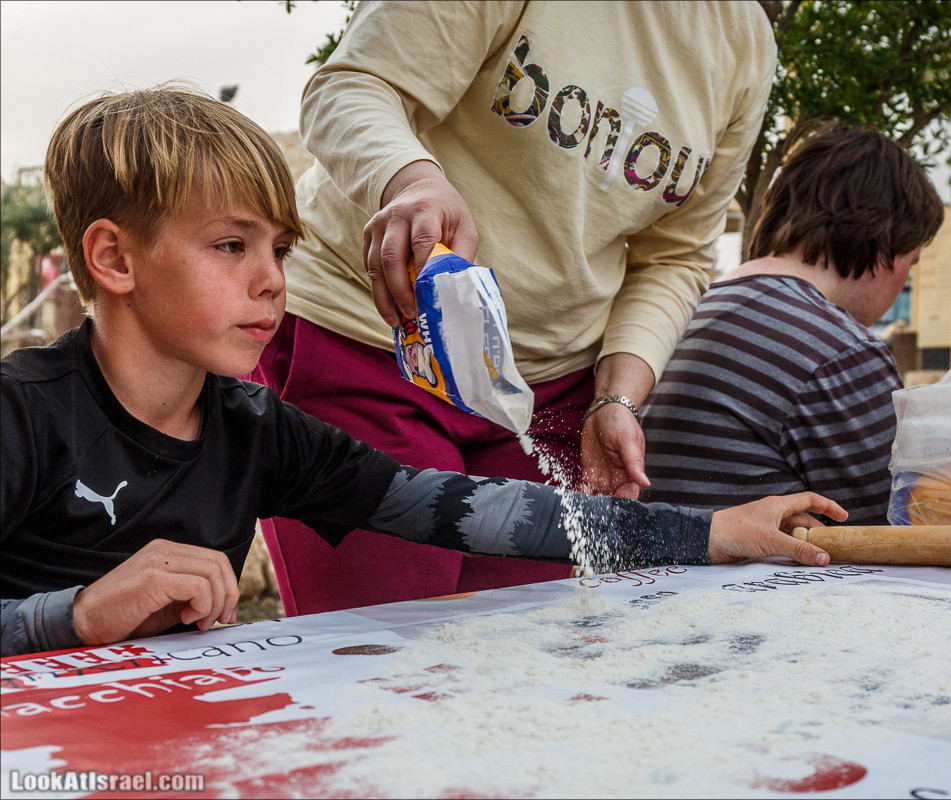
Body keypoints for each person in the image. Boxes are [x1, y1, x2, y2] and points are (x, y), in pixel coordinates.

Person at [0, 87, 845, 658]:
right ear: (113, 257)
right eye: (231, 246)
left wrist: (712, 532)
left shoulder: (256, 428)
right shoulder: (23, 415)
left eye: (279, 250)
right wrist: (74, 615)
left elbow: (472, 512)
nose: (272, 281)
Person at [252, 1, 779, 612]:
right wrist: (411, 180)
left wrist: (617, 398)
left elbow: (676, 257)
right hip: (372, 343)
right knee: (387, 659)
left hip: (549, 395)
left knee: (529, 657)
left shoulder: (745, 40)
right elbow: (351, 87)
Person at [639, 122, 945, 523]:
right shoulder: (842, 352)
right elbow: (899, 529)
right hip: (748, 583)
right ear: (887, 243)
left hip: (638, 575)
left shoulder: (679, 311)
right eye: (913, 262)